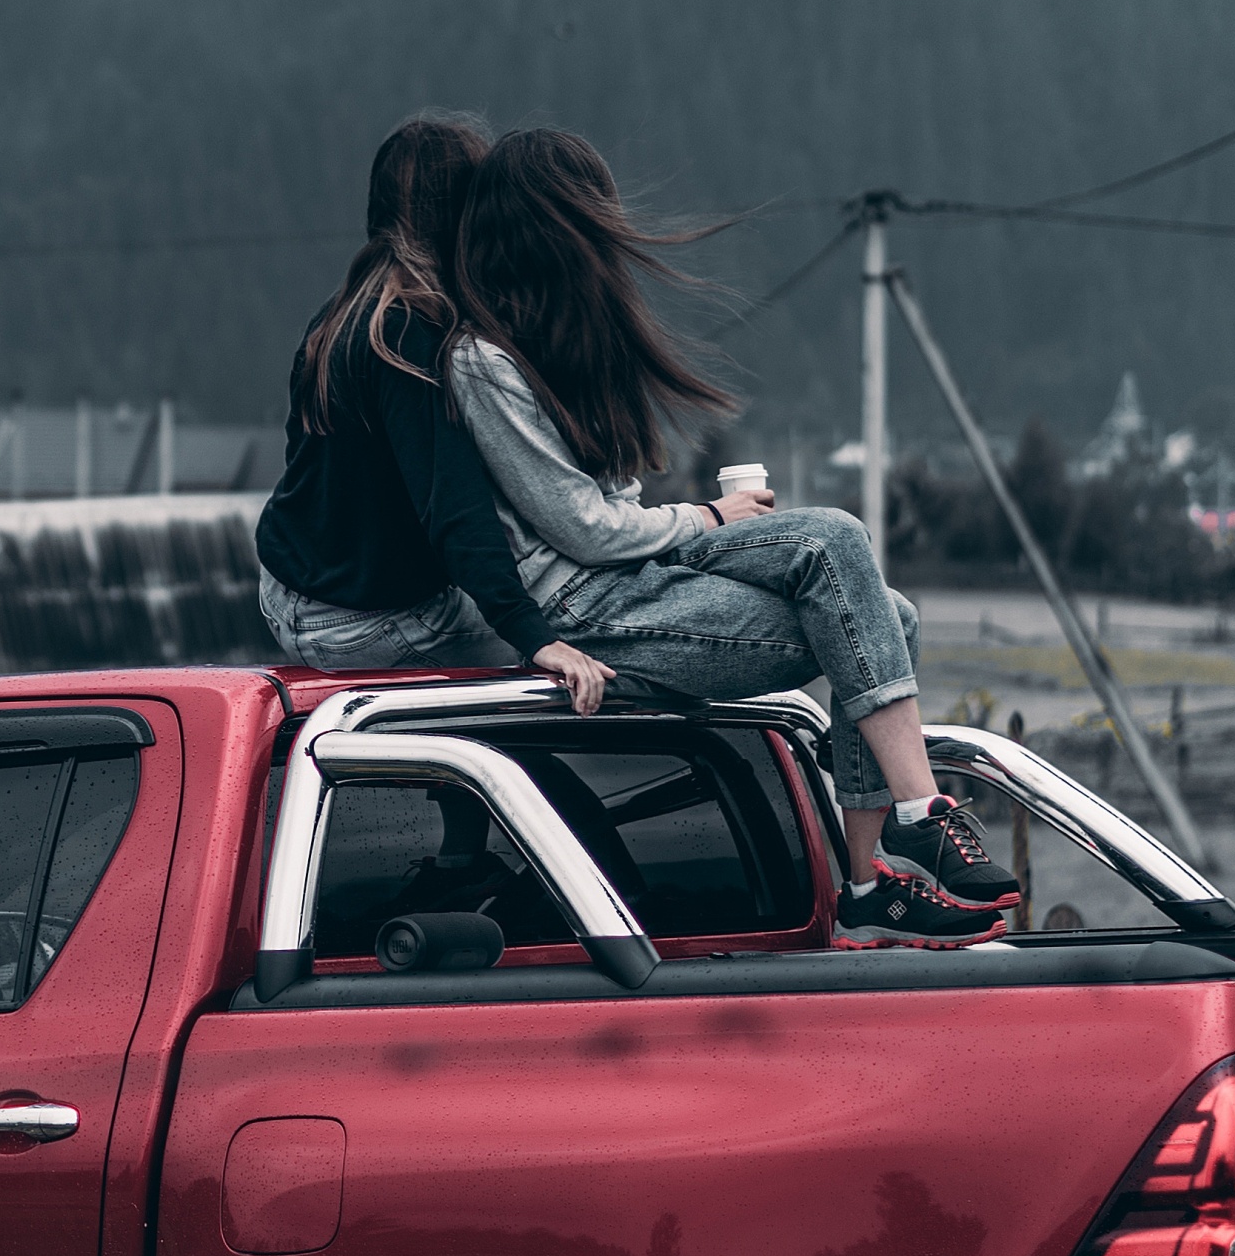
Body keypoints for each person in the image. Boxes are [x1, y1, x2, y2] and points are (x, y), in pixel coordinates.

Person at [450, 127, 1019, 949]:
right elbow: (576, 526)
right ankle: (910, 820)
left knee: (864, 584)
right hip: (583, 601)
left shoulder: (563, 339)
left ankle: (876, 868)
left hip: (632, 565)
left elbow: (609, 508)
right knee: (866, 598)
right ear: (551, 226)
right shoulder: (483, 363)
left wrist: (687, 523)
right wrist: (710, 519)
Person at [255, 117, 609, 712]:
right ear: (461, 216)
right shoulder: (411, 339)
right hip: (362, 622)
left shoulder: (341, 315)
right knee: (595, 635)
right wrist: (538, 639)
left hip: (287, 593)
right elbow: (456, 509)